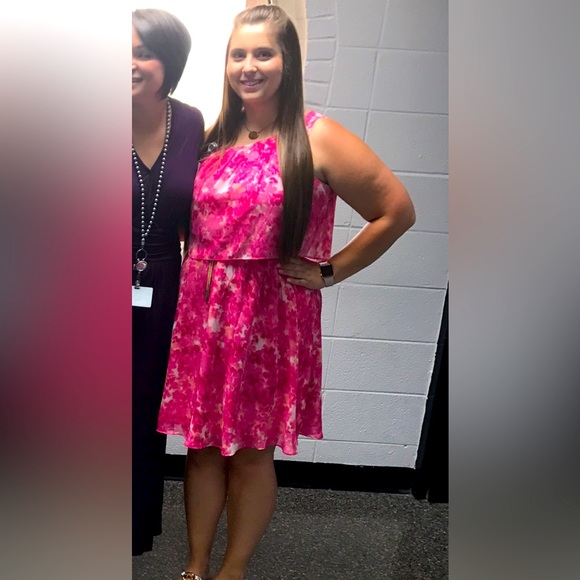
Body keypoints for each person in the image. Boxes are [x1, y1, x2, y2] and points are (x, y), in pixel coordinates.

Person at [157, 5, 415, 579]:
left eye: (263, 53)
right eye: (238, 54)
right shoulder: (213, 137)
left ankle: (233, 570)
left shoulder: (317, 136)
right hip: (203, 314)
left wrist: (329, 271)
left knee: (251, 452)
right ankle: (195, 566)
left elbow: (396, 211)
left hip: (269, 319)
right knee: (200, 448)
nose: (248, 66)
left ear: (288, 62)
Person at [132, 8, 204, 557]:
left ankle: (130, 530)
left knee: (142, 413)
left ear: (169, 62)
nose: (127, 64)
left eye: (142, 52)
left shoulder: (192, 123)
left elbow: (199, 212)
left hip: (161, 285)